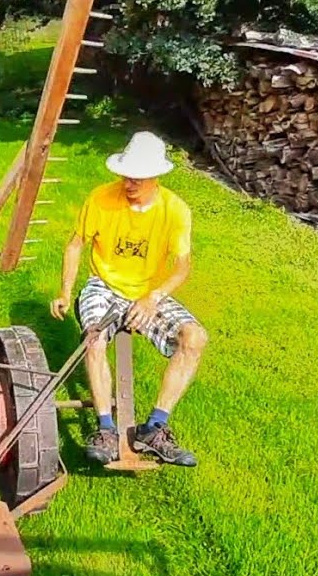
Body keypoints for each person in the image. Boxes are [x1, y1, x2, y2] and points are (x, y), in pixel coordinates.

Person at [49, 131, 208, 467]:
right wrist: (65, 291)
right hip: (104, 285)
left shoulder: (175, 210)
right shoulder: (101, 198)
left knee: (194, 338)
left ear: (156, 177)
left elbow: (182, 266)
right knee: (94, 339)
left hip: (148, 293)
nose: (128, 183)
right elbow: (75, 245)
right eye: (125, 175)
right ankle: (106, 430)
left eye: (137, 178)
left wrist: (153, 297)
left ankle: (154, 428)